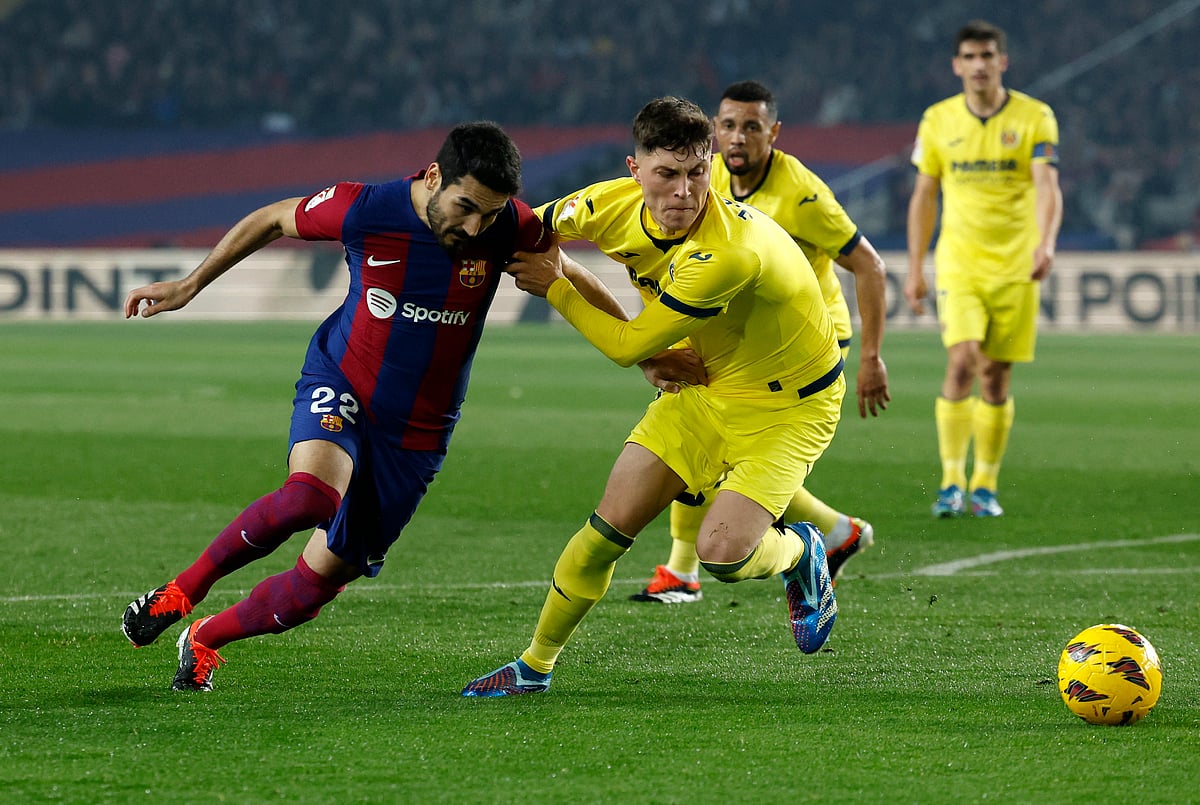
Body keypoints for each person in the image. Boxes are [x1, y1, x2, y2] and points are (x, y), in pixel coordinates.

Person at [119, 121, 632, 692]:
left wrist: (644, 350)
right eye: (464, 206)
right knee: (309, 497)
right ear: (433, 176)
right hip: (344, 380)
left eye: (487, 215)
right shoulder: (365, 208)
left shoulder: (513, 225)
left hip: (418, 432)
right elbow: (272, 218)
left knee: (312, 590)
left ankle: (205, 638)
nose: (473, 226)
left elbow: (567, 272)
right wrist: (191, 285)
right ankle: (182, 591)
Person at [462, 96, 845, 697]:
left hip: (789, 407)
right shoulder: (602, 204)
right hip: (704, 388)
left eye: (698, 173)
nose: (684, 192)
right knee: (604, 531)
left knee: (723, 554)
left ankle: (800, 552)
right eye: (666, 174)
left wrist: (557, 290)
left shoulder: (728, 253)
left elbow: (622, 346)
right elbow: (526, 235)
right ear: (634, 170)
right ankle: (533, 668)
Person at [631, 80, 890, 604]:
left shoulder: (802, 193)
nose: (737, 138)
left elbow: (869, 264)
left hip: (808, 343)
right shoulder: (704, 178)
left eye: (751, 127)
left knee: (714, 442)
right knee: (719, 442)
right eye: (727, 125)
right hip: (740, 339)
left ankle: (683, 572)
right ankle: (838, 534)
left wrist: (871, 356)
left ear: (773, 132)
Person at [904, 20, 1062, 518]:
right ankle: (951, 480)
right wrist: (915, 267)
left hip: (1016, 265)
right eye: (969, 57)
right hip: (960, 263)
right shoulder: (937, 121)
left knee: (995, 376)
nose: (978, 65)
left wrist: (1046, 243)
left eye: (987, 56)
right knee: (963, 360)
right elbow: (924, 195)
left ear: (1002, 62)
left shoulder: (1035, 117)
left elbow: (1046, 186)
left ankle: (985, 485)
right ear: (956, 65)